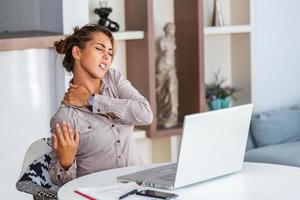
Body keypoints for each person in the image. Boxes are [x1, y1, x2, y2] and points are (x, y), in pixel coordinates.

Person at [49, 24, 153, 186]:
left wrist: (92, 100)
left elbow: (145, 114)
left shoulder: (114, 79)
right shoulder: (66, 117)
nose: (107, 56)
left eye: (110, 52)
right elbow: (63, 186)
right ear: (77, 52)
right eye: (100, 49)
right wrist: (66, 163)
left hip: (140, 188)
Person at [156, 23, 178, 128]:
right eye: (173, 29)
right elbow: (163, 52)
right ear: (168, 30)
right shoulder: (163, 41)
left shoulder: (172, 40)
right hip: (163, 65)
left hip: (171, 67)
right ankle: (164, 115)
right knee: (164, 90)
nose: (174, 30)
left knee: (172, 89)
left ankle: (171, 114)